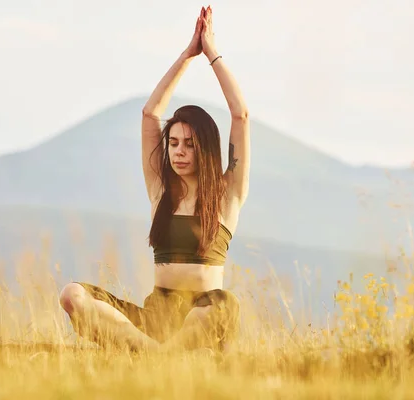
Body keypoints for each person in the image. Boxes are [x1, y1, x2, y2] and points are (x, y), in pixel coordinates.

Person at [59, 5, 250, 354]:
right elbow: (151, 114)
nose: (178, 152)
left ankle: (156, 355)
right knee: (72, 295)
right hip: (155, 320)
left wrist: (210, 53)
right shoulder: (160, 190)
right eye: (173, 143)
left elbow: (241, 114)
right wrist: (186, 55)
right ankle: (156, 354)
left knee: (223, 305)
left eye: (189, 145)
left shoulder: (227, 195)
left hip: (203, 315)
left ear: (205, 149)